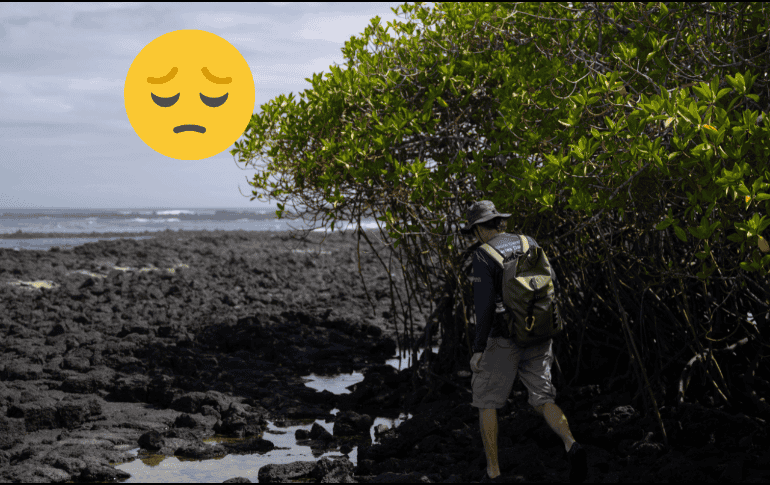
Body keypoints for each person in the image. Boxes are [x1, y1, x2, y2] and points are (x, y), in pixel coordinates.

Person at [460, 200, 588, 483]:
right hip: (538, 334)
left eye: (473, 231)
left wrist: (478, 350)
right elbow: (552, 281)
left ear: (479, 229)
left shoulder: (483, 255)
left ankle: (493, 472)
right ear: (499, 222)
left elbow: (484, 308)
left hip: (503, 340)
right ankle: (571, 443)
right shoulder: (529, 242)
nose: (474, 236)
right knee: (543, 398)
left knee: (486, 402)